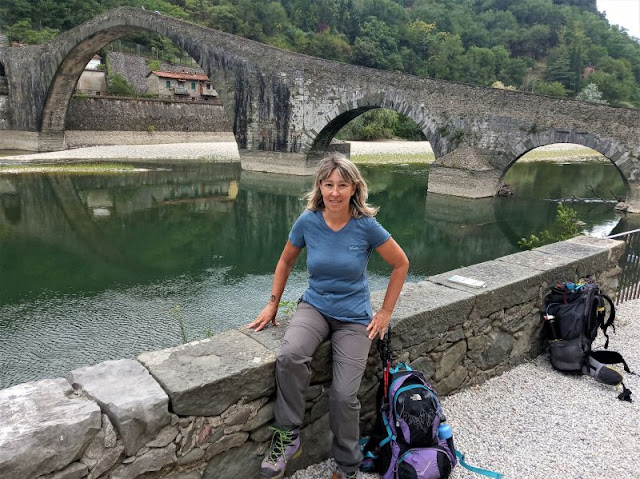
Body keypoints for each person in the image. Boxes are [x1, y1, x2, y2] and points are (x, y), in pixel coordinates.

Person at [247, 153, 409, 479]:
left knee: (344, 395)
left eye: (342, 185)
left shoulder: (366, 225)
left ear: (354, 188)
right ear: (319, 186)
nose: (334, 192)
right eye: (328, 184)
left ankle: (348, 465)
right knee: (291, 355)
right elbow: (285, 262)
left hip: (353, 318)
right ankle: (288, 437)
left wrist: (385, 312)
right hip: (315, 307)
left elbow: (401, 263)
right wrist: (273, 304)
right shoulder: (308, 221)